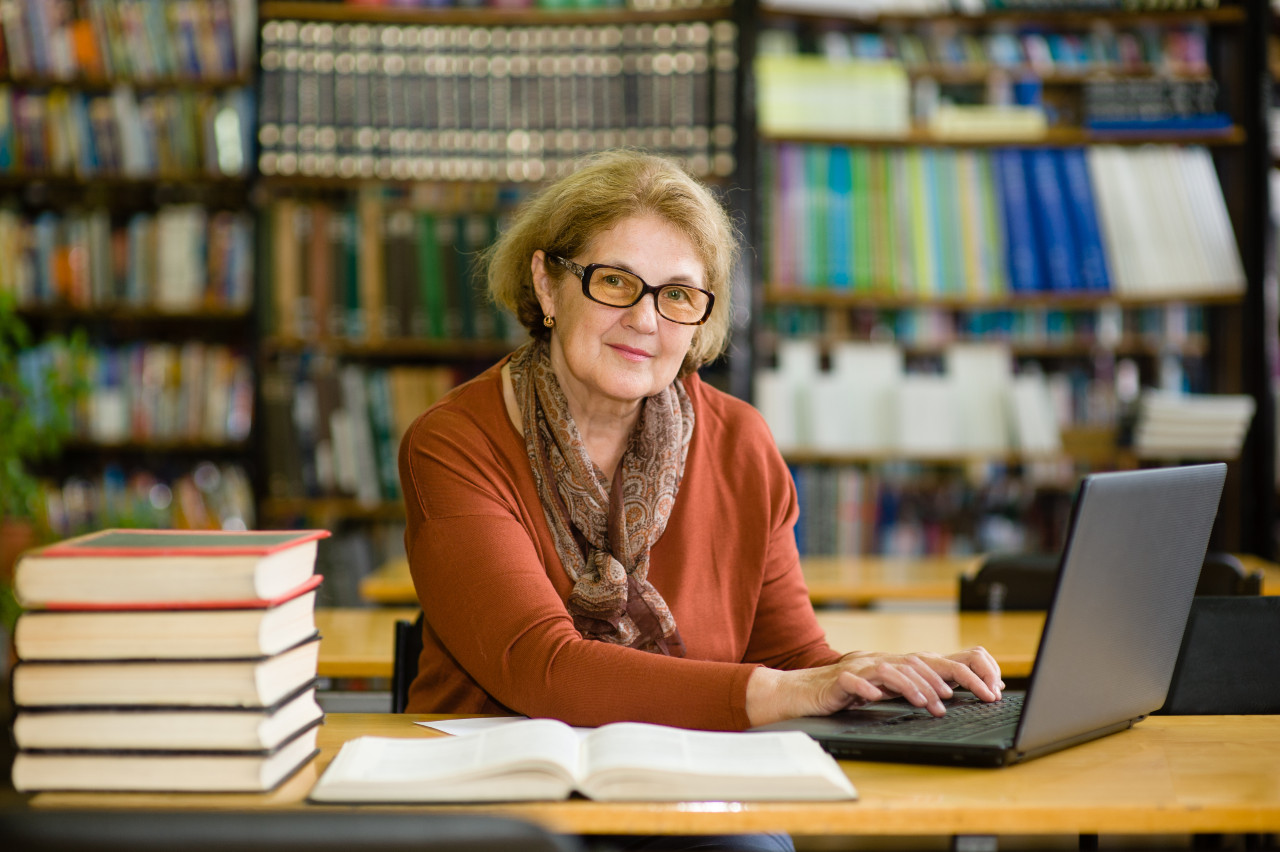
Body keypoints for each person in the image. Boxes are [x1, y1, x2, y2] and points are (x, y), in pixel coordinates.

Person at [398, 149, 1004, 734]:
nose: (645, 319)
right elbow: (541, 669)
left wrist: (880, 676)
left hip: (689, 780)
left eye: (678, 295)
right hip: (500, 789)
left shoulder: (740, 441)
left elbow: (791, 657)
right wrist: (777, 690)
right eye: (614, 281)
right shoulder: (453, 444)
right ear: (548, 285)